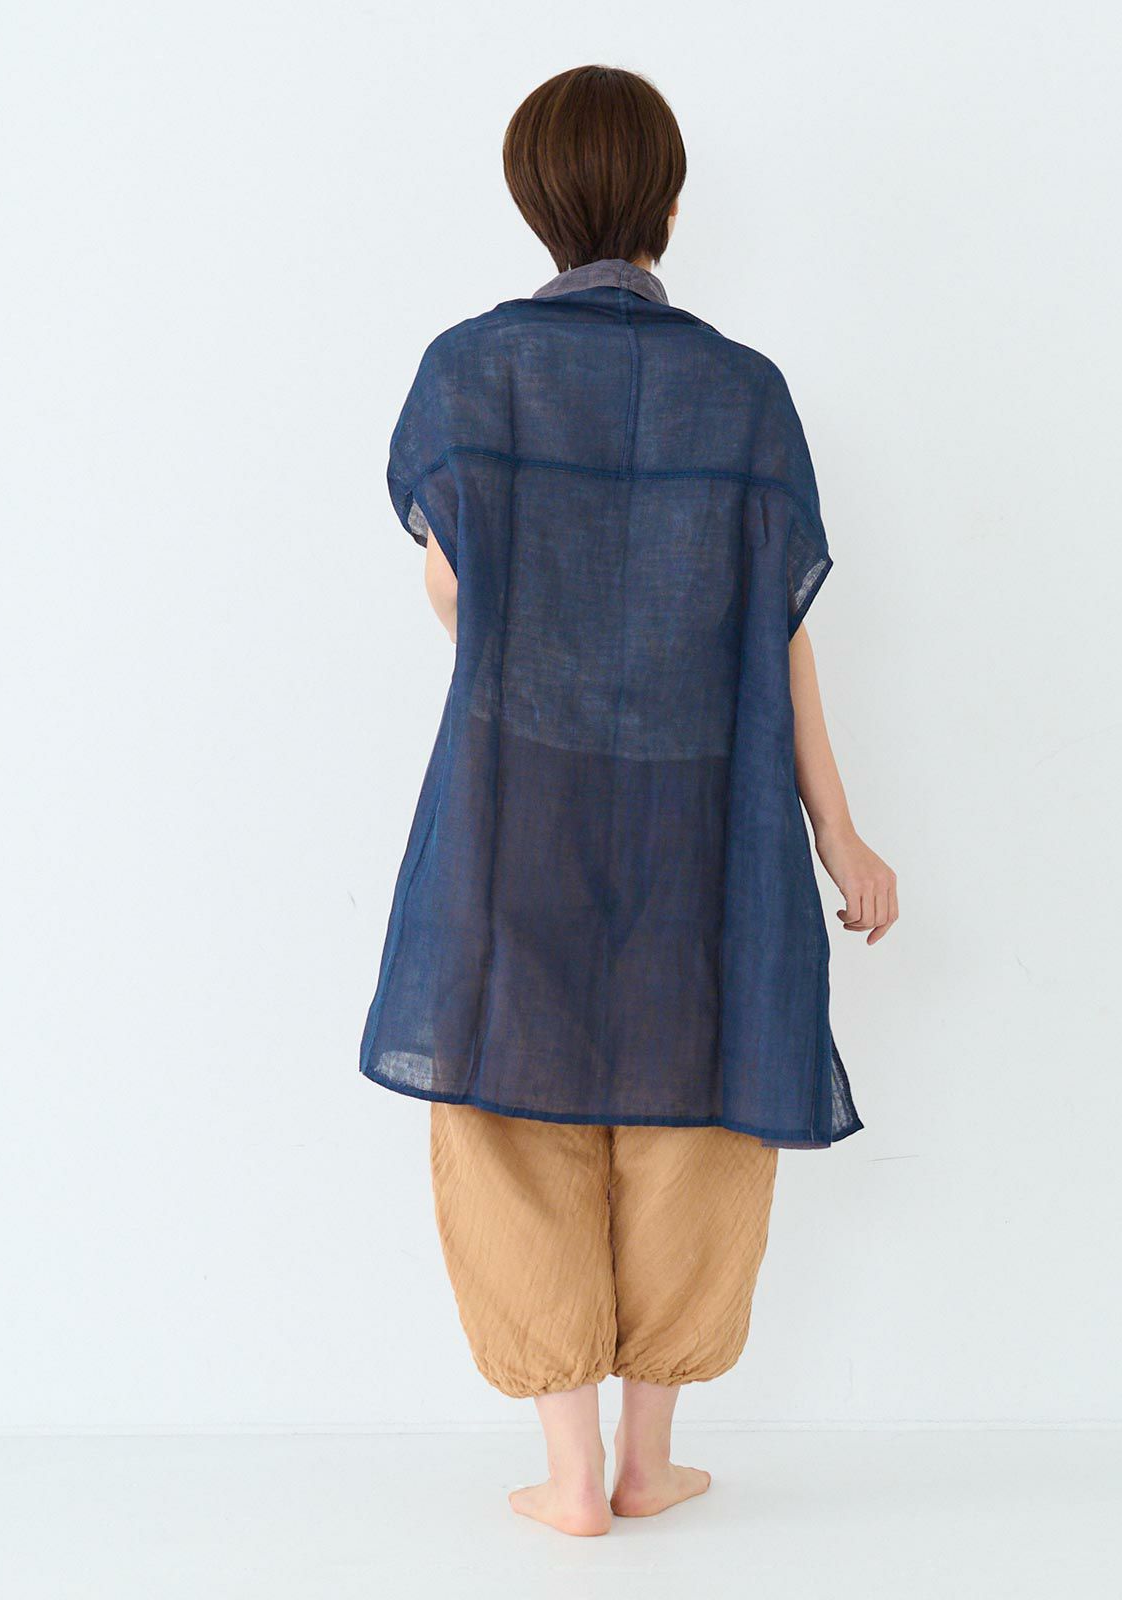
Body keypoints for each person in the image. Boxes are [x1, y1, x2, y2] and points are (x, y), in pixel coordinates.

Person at [361, 64, 898, 1536]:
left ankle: (570, 1472)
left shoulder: (468, 373)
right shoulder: (747, 395)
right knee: (702, 1101)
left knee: (504, 1102)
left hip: (515, 801)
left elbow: (456, 596)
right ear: (667, 202)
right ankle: (653, 1458)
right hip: (708, 814)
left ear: (533, 202)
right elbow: (781, 635)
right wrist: (839, 833)